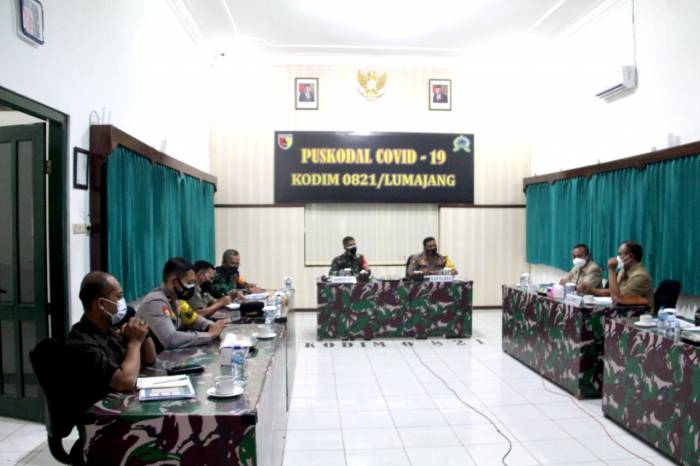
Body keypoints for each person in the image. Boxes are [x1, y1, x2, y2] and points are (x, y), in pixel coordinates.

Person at [66, 272, 156, 402]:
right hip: (98, 412)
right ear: (101, 304)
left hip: (122, 403)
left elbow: (150, 359)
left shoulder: (109, 331)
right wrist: (135, 343)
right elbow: (125, 381)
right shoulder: (81, 343)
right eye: (119, 297)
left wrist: (142, 332)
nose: (122, 303)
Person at [137, 257, 228, 351]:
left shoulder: (175, 298)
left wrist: (211, 325)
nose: (192, 287)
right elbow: (171, 339)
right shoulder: (155, 302)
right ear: (174, 281)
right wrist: (209, 335)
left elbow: (192, 318)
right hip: (155, 357)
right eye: (189, 282)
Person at [587, 241, 654, 308]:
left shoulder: (640, 276)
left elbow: (617, 298)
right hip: (624, 309)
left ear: (630, 256)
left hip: (641, 313)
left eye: (620, 254)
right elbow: (613, 291)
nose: (617, 258)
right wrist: (590, 290)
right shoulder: (623, 270)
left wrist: (611, 270)